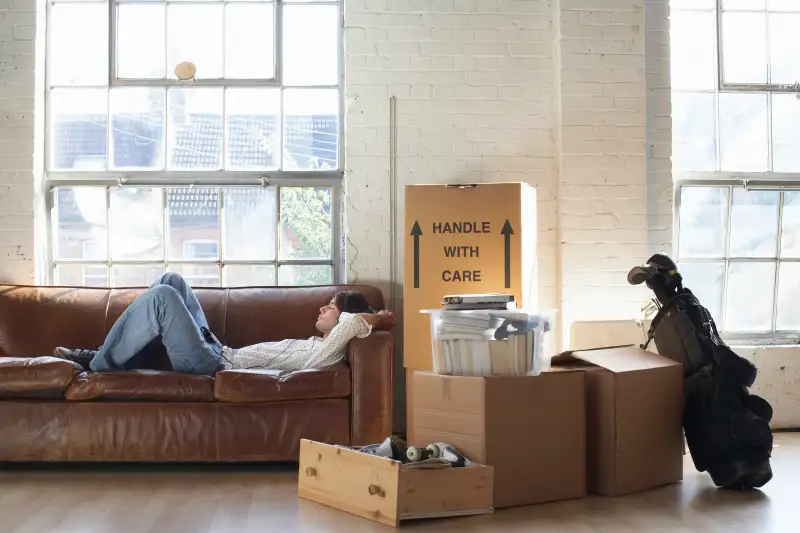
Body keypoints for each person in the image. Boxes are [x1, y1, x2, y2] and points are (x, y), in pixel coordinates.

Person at [54, 272, 396, 375]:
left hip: (210, 364)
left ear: (345, 315)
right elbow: (349, 321)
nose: (322, 308)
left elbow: (352, 324)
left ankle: (99, 362)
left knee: (162, 296)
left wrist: (379, 316)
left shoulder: (331, 349)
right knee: (172, 281)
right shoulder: (321, 344)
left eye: (331, 306)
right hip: (217, 350)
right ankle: (117, 357)